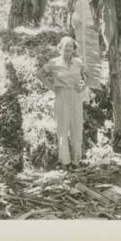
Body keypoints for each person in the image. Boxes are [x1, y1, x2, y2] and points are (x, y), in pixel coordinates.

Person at [36, 36, 87, 171]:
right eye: (65, 46)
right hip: (61, 96)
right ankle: (65, 162)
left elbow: (88, 75)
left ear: (73, 48)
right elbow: (40, 74)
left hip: (76, 96)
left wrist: (83, 87)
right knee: (63, 129)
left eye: (70, 46)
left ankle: (76, 161)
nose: (68, 48)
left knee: (77, 129)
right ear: (60, 48)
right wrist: (52, 88)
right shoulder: (54, 63)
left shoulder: (78, 63)